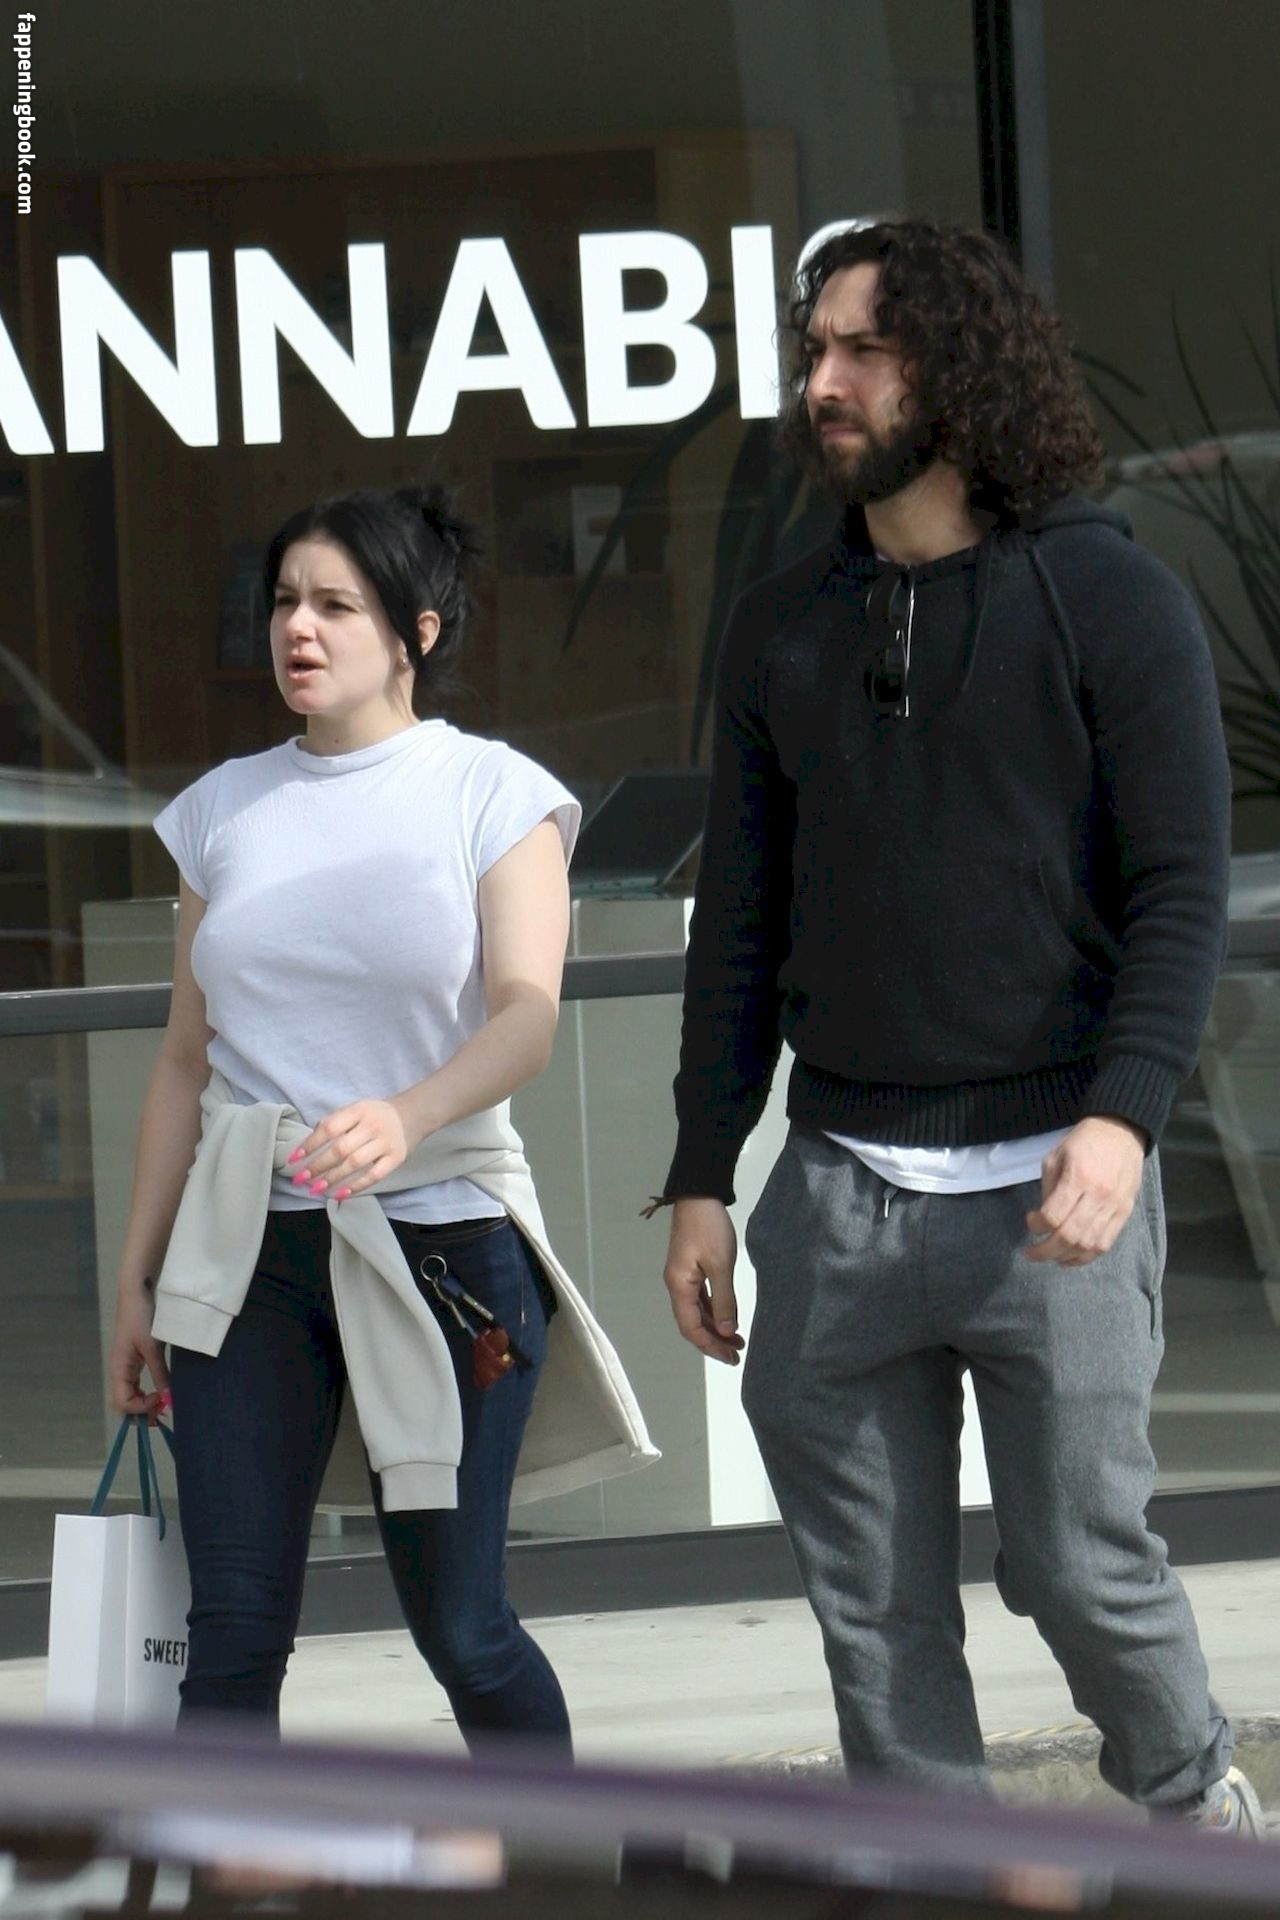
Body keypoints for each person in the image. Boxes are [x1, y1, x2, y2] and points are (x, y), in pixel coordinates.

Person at [657, 220, 1261, 1830]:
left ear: (960, 369)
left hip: (1055, 1189)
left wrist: (1124, 1120)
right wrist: (703, 1170)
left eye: (865, 350)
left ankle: (1191, 1799)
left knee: (1076, 1564)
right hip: (840, 1191)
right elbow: (743, 925)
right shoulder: (783, 627)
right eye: (816, 351)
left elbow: (1183, 892)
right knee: (874, 1609)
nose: (825, 382)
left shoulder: (1108, 598)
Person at [109, 482, 655, 1748]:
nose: (297, 629)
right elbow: (185, 1063)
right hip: (245, 1256)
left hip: (445, 1250)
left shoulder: (490, 793)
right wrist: (135, 1280)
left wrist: (408, 1116)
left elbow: (526, 1014)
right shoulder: (221, 809)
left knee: (462, 1627)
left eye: (335, 606)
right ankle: (219, 1857)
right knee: (230, 1631)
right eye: (283, 603)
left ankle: (564, 1852)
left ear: (416, 631)